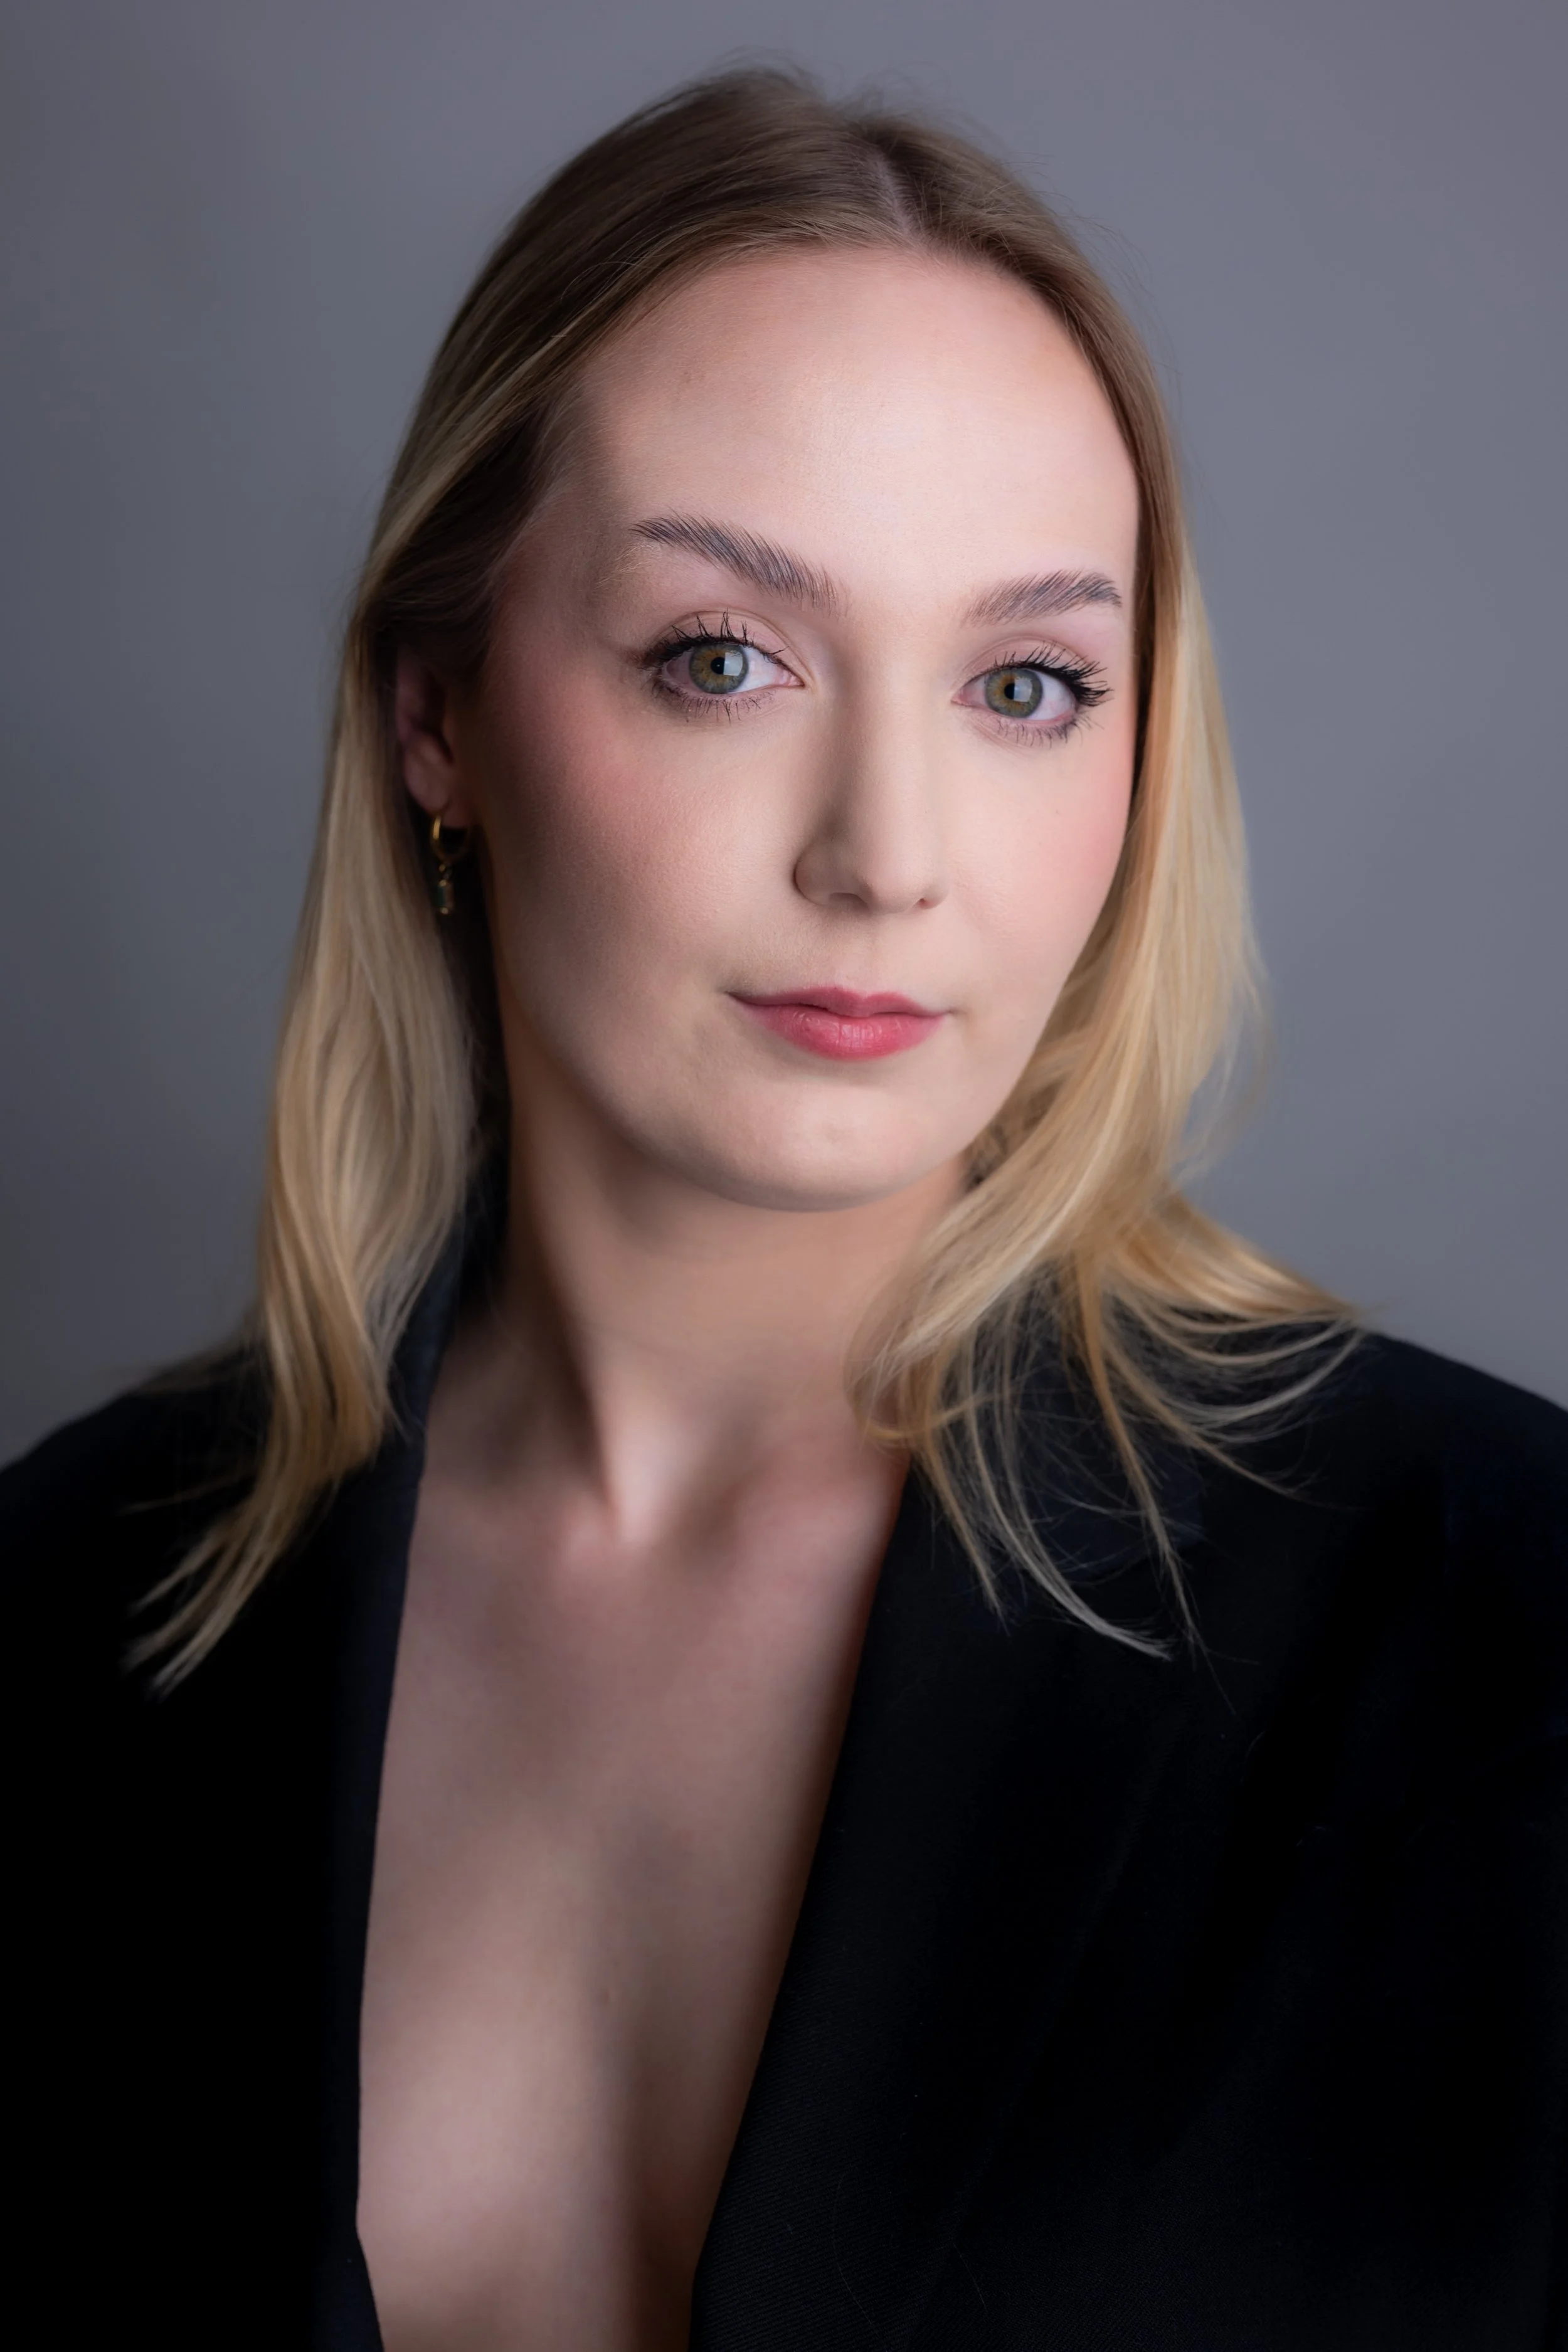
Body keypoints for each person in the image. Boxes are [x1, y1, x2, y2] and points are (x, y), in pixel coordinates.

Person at [4, 66, 1565, 2352]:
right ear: (438, 712)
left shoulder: (1503, 1627)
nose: (887, 849)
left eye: (1029, 683)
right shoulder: (59, 1620)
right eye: (723, 658)